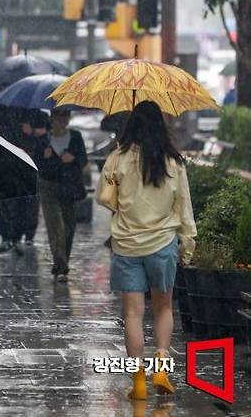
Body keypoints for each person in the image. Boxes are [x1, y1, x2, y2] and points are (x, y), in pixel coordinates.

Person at [96, 101, 196, 401]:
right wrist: (187, 243)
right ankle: (162, 366)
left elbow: (106, 199)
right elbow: (184, 206)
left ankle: (138, 380)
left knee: (133, 315)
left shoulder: (118, 157)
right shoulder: (172, 162)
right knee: (164, 308)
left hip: (127, 245)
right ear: (160, 126)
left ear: (132, 126)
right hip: (163, 244)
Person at [32, 109, 87, 282]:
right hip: (49, 187)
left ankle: (63, 260)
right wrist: (46, 157)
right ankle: (60, 264)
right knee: (54, 225)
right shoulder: (43, 140)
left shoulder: (76, 136)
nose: (61, 120)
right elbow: (37, 164)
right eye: (58, 116)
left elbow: (83, 159)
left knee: (69, 226)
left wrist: (74, 158)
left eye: (65, 116)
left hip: (69, 187)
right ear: (52, 118)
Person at [0, 108, 46, 254]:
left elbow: (45, 142)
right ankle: (6, 237)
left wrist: (34, 133)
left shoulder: (38, 115)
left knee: (26, 204)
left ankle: (20, 236)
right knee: (6, 202)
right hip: (7, 165)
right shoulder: (1, 112)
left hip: (29, 167)